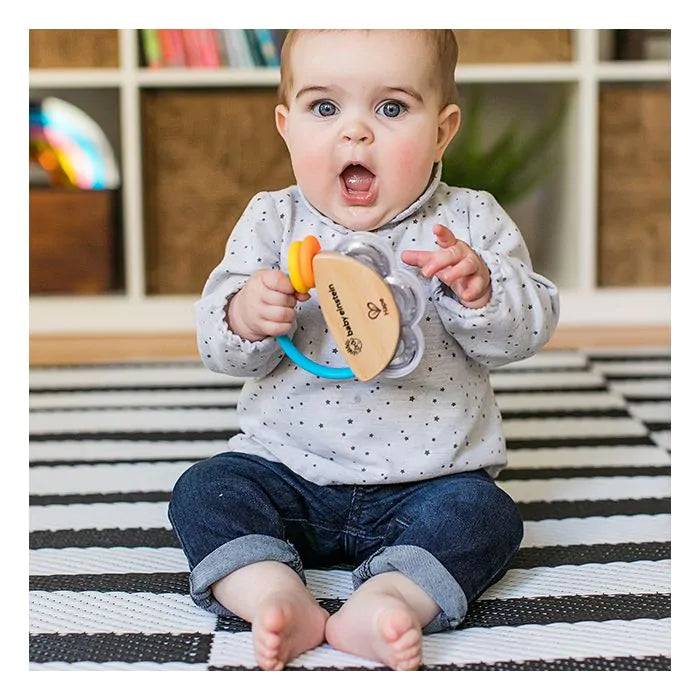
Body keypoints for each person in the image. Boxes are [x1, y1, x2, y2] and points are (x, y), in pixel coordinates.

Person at [168, 29, 559, 671]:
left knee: (487, 518)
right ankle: (272, 590)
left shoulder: (468, 225)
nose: (356, 134)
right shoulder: (273, 222)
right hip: (288, 470)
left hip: (431, 480)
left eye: (391, 108)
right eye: (325, 109)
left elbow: (525, 331)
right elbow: (220, 348)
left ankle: (390, 598)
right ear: (286, 125)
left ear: (442, 128)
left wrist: (478, 289)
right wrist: (246, 313)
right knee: (206, 490)